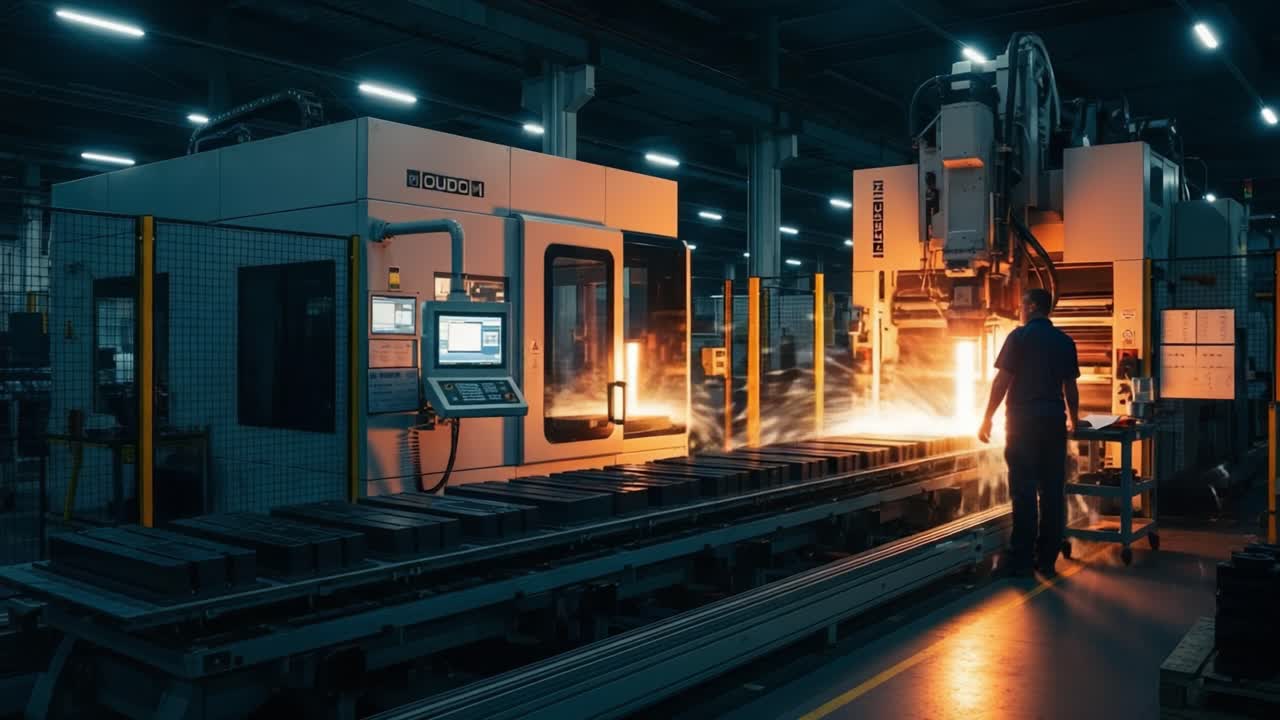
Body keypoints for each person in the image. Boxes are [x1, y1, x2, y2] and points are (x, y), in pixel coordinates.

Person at [978, 288, 1086, 577]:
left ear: (1033, 306)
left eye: (1022, 305)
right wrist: (1074, 419)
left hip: (1022, 424)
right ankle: (1047, 559)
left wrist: (987, 418)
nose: (1020, 310)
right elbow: (1070, 387)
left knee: (1024, 491)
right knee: (1052, 492)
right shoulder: (1064, 341)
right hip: (1053, 424)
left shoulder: (1019, 337)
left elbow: (1002, 381)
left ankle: (1022, 560)